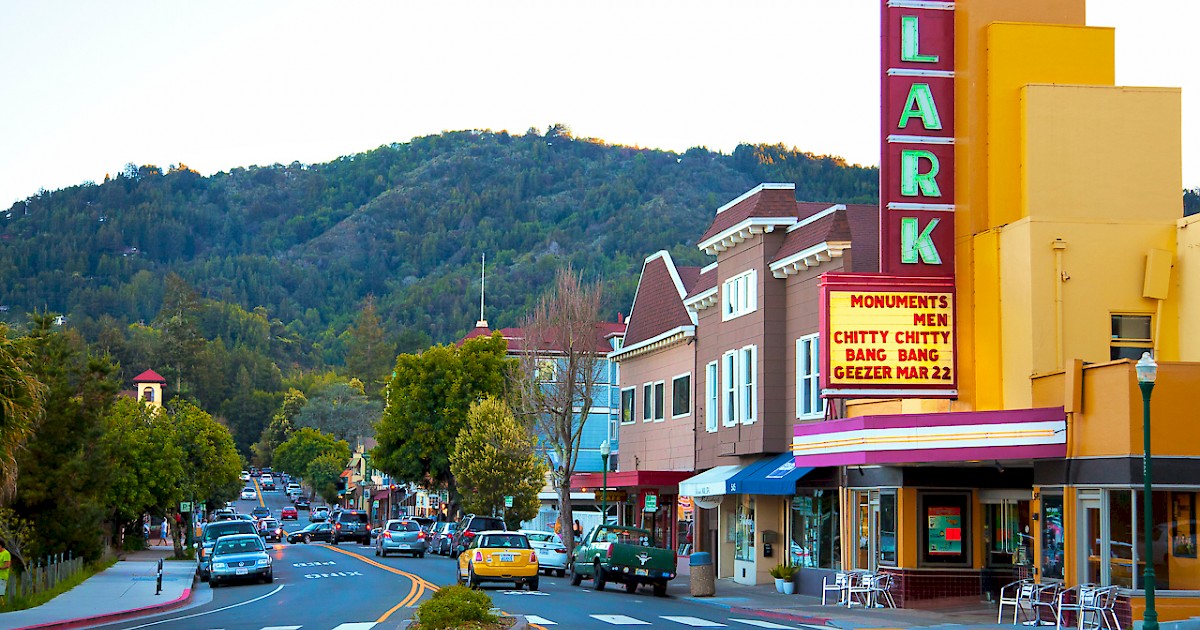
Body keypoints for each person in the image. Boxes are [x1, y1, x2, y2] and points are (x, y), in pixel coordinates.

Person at [0, 539, 11, 607]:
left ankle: (3, 606)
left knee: (0, 593)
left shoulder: (6, 553)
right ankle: (3, 605)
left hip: (2, 576)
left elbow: (7, 565)